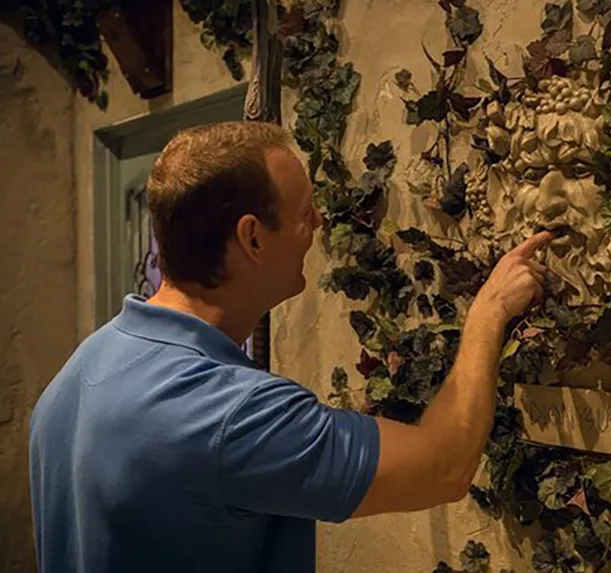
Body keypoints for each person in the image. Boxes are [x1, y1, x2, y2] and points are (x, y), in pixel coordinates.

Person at [28, 121, 554, 573]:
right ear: (252, 238)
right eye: (305, 213)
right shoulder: (228, 413)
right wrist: (488, 313)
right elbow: (444, 466)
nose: (319, 225)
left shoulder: (82, 369)